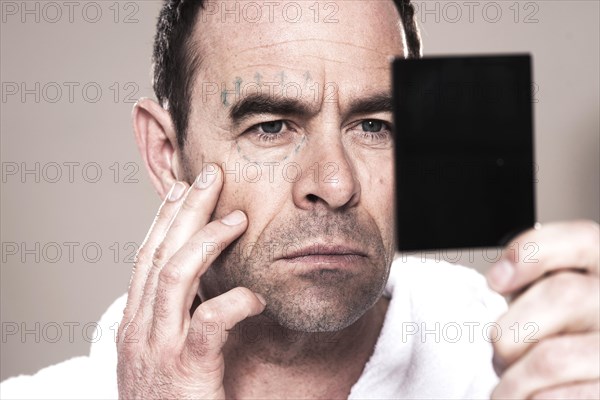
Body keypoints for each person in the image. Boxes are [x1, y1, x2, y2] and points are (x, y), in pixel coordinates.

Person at [2, 0, 598, 399]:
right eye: (270, 126)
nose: (334, 185)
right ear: (166, 154)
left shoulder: (542, 364)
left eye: (374, 126)